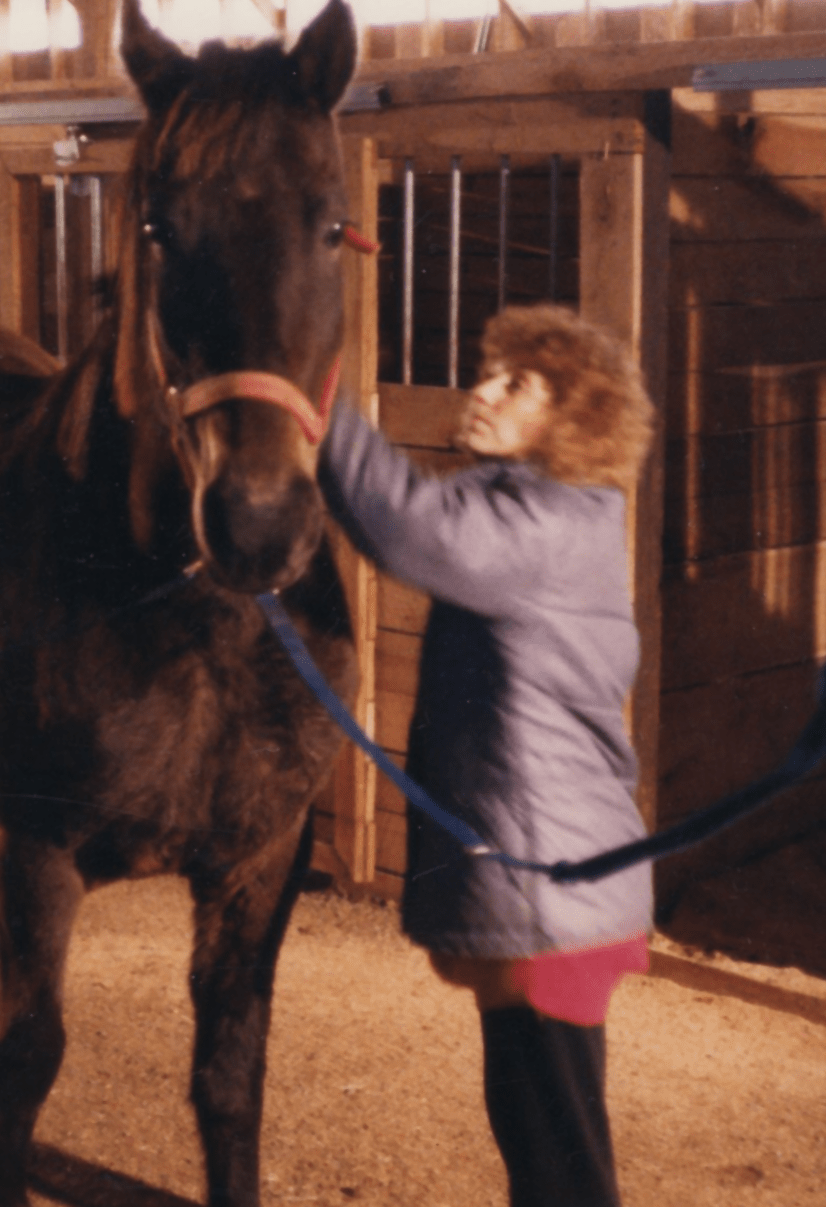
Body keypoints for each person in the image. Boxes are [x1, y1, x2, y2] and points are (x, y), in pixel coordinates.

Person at [319, 303, 655, 1207]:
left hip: (552, 896)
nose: (484, 391)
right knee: (538, 1127)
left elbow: (407, 524)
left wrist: (307, 388)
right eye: (487, 373)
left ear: (573, 418)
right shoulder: (537, 508)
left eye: (518, 384)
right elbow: (422, 513)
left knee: (558, 1152)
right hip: (555, 888)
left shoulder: (547, 525)